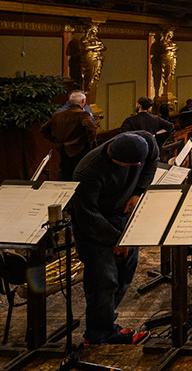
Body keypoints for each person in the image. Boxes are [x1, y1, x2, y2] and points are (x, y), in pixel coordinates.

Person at [68, 131, 158, 345]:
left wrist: (138, 191)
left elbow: (152, 161)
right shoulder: (89, 170)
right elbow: (86, 213)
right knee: (104, 280)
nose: (133, 167)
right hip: (92, 222)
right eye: (126, 165)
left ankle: (103, 321)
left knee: (126, 269)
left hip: (120, 216)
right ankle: (100, 333)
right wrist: (113, 239)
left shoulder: (146, 141)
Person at [41, 90, 97, 181]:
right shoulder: (83, 114)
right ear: (83, 101)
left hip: (63, 149)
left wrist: (56, 140)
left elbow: (43, 130)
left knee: (65, 175)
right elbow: (91, 129)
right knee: (80, 175)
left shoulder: (58, 115)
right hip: (81, 149)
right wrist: (91, 141)